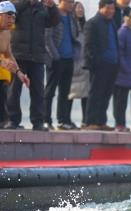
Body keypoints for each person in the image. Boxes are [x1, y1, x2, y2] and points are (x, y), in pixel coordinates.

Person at [6, 0, 59, 131]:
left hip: (37, 56)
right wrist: (27, 2)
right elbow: (11, 14)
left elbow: (54, 21)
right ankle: (13, 120)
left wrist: (52, 7)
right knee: (14, 90)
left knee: (38, 91)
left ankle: (38, 122)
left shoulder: (43, 8)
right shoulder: (18, 6)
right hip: (18, 55)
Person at [83, 0, 118, 131]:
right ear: (101, 8)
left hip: (112, 64)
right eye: (109, 9)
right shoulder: (92, 23)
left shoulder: (112, 23)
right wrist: (96, 62)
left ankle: (101, 121)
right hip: (99, 65)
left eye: (113, 9)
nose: (111, 11)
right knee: (95, 93)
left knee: (106, 94)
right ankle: (90, 122)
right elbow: (88, 46)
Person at [43, 0, 79, 130]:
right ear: (60, 2)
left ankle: (63, 120)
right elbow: (47, 37)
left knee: (65, 92)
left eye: (72, 2)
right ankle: (46, 119)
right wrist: (55, 56)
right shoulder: (53, 14)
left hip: (69, 58)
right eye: (69, 2)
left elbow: (75, 34)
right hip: (55, 59)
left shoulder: (71, 16)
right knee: (50, 91)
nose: (71, 4)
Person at [0, 1, 31, 128]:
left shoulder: (7, 33)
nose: (11, 20)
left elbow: (9, 54)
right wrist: (2, 62)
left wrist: (19, 72)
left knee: (3, 97)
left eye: (13, 17)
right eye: (8, 16)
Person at [66, 0, 87, 126]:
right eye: (78, 8)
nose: (80, 10)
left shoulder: (86, 25)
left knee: (86, 94)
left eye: (82, 8)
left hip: (85, 65)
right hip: (73, 63)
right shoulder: (70, 25)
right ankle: (66, 119)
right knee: (70, 94)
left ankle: (85, 120)